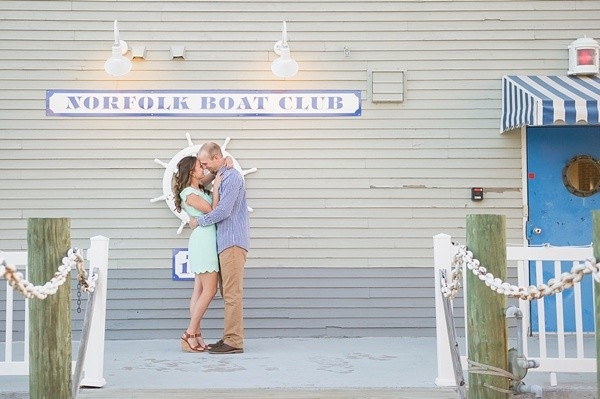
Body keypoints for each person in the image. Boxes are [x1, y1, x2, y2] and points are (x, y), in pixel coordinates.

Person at [189, 142, 249, 354]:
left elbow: (223, 211)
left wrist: (199, 221)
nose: (204, 168)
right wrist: (221, 166)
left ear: (216, 158)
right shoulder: (222, 175)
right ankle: (229, 337)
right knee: (228, 293)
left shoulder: (232, 177)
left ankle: (234, 341)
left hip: (232, 241)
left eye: (206, 163)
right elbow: (200, 184)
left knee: (232, 293)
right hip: (225, 242)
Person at [173, 156, 221, 352]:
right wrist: (217, 187)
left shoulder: (199, 187)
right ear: (191, 171)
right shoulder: (189, 193)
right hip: (203, 241)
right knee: (210, 290)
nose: (203, 168)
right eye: (200, 167)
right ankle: (189, 333)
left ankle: (197, 334)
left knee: (199, 290)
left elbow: (214, 173)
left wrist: (224, 164)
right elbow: (212, 210)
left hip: (207, 239)